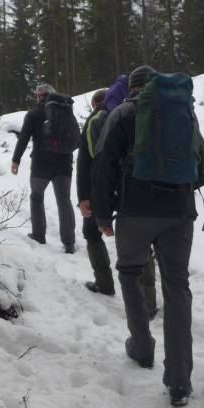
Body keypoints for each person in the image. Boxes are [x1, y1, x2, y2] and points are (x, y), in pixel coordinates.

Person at [91, 65, 204, 407]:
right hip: (179, 213)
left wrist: (103, 213)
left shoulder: (121, 115)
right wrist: (178, 187)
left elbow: (102, 167)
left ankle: (142, 348)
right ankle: (179, 381)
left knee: (130, 272)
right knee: (177, 288)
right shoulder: (183, 112)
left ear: (131, 88)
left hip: (135, 211)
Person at [76, 88, 158, 317]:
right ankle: (149, 302)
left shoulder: (97, 120)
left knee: (92, 233)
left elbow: (86, 161)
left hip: (100, 187)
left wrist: (84, 197)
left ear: (95, 103)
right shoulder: (135, 113)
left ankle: (104, 283)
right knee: (143, 243)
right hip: (135, 188)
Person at [12, 83, 77, 253]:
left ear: (38, 96)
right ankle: (69, 243)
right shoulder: (65, 110)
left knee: (36, 197)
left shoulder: (33, 114)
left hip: (41, 164)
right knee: (64, 200)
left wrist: (16, 160)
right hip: (64, 163)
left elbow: (24, 138)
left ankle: (39, 235)